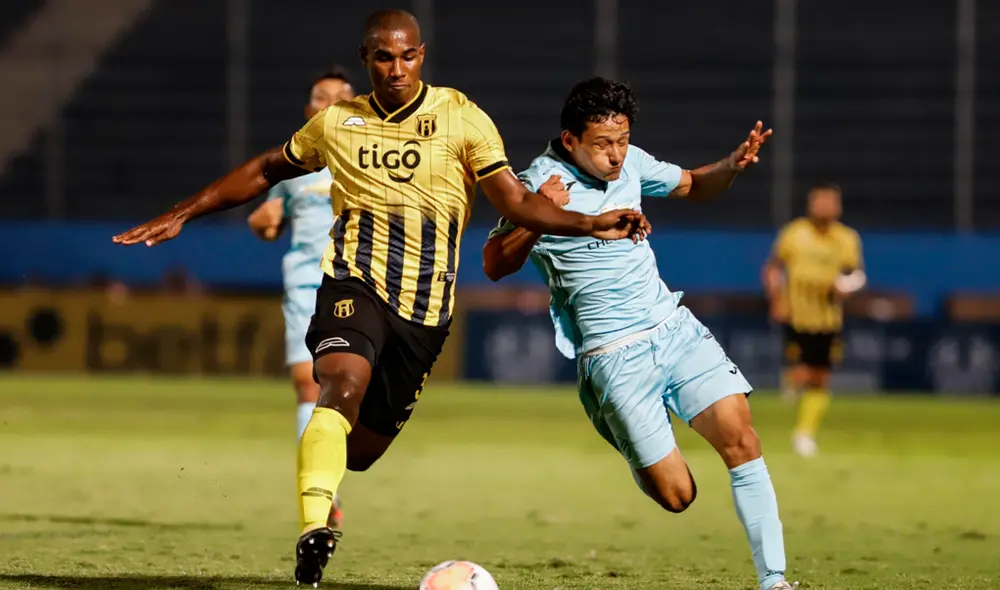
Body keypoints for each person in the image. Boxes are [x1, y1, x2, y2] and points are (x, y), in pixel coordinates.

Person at [112, 10, 649, 586]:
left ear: (422, 55)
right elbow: (268, 167)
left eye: (408, 56)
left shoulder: (461, 117)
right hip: (354, 282)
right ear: (367, 59)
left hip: (424, 310)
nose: (397, 69)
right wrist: (183, 212)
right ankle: (314, 529)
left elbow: (516, 203)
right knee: (339, 385)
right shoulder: (338, 121)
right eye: (384, 58)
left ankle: (322, 485)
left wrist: (588, 222)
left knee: (360, 451)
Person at [483, 77, 797, 590]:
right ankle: (628, 434)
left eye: (622, 140)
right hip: (611, 357)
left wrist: (731, 166)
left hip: (670, 329)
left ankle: (775, 579)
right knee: (678, 495)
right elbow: (494, 263)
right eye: (602, 144)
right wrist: (539, 215)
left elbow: (694, 184)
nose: (615, 155)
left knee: (742, 437)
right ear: (570, 141)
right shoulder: (536, 182)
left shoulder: (632, 162)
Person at [246, 67, 356, 530]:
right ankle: (319, 498)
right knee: (306, 384)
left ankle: (325, 471)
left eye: (340, 97)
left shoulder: (372, 156)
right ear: (309, 111)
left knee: (350, 387)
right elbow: (268, 222)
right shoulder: (291, 166)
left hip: (357, 282)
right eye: (320, 98)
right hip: (305, 282)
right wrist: (263, 222)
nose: (329, 104)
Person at [762, 183, 865, 458]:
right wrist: (776, 300)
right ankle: (792, 385)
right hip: (795, 314)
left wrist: (847, 286)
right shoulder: (795, 234)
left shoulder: (847, 238)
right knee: (800, 373)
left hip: (828, 318)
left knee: (820, 377)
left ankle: (804, 433)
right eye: (819, 202)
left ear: (837, 207)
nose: (824, 208)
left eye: (829, 203)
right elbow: (773, 267)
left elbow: (856, 274)